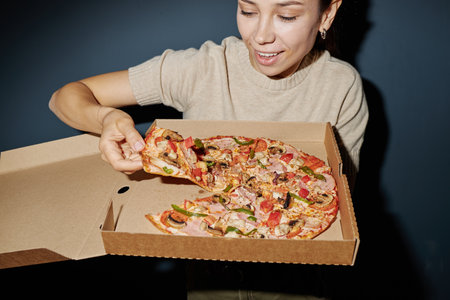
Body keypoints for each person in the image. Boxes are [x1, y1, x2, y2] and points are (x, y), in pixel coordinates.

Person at [50, 0, 368, 298]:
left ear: (327, 15)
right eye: (248, 10)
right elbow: (64, 97)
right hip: (208, 277)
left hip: (301, 279)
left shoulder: (342, 86)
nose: (261, 36)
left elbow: (336, 200)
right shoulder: (204, 68)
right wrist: (105, 117)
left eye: (286, 16)